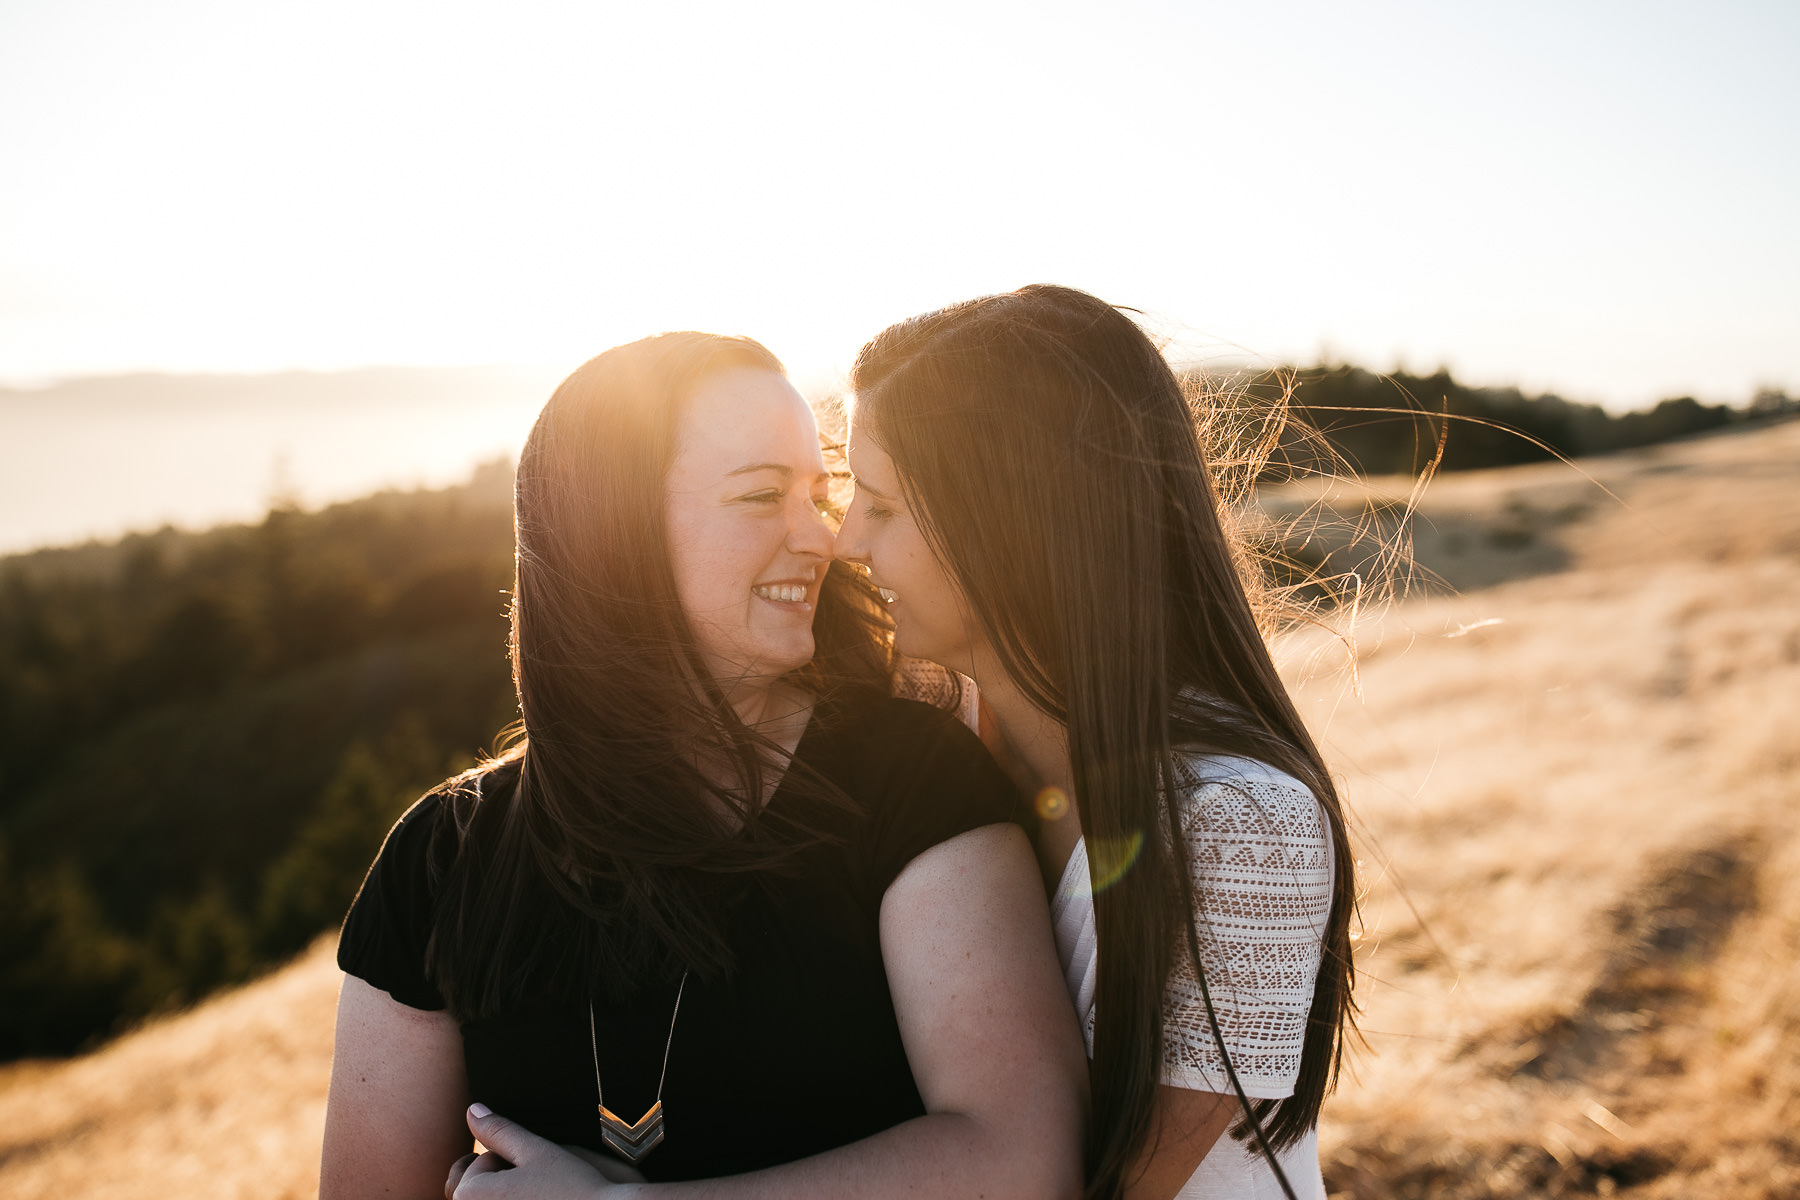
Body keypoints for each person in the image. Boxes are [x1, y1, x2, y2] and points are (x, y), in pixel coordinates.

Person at [319, 332, 1086, 1200]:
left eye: (819, 495)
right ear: (613, 532)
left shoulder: (912, 779)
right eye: (763, 496)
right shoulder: (442, 860)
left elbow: (1024, 1159)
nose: (823, 540)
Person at [833, 285, 1357, 1200]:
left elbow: (1104, 1192)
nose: (845, 540)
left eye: (880, 506)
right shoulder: (921, 741)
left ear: (1007, 522)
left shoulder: (1241, 825)